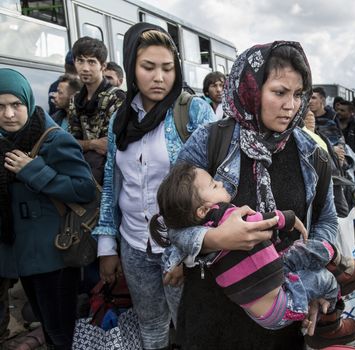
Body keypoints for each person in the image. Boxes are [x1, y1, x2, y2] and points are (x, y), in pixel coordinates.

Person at [172, 41, 355, 350]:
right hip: (213, 313)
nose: (292, 106)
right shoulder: (210, 140)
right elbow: (170, 222)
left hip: (281, 316)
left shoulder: (312, 152)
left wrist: (309, 287)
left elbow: (325, 220)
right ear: (251, 88)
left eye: (299, 95)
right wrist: (217, 239)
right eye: (279, 92)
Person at [151, 163, 355, 348]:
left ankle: (343, 268)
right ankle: (329, 323)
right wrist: (286, 218)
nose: (290, 105)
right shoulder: (217, 208)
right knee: (325, 282)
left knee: (314, 250)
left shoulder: (308, 147)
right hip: (273, 305)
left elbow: (327, 216)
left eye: (297, 99)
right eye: (213, 185)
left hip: (276, 267)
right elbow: (176, 222)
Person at [91, 23, 216, 350]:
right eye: (148, 67)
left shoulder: (193, 111)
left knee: (189, 326)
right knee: (150, 325)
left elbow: (217, 186)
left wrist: (183, 253)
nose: (159, 77)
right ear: (132, 67)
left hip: (182, 249)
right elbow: (112, 183)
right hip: (134, 245)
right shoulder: (120, 118)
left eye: (167, 68)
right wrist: (108, 246)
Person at [0, 68, 96, 349]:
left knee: (61, 332)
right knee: (48, 326)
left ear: (27, 103)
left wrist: (34, 171)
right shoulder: (3, 143)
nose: (8, 114)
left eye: (16, 105)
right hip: (23, 255)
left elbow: (84, 189)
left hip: (56, 255)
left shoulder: (53, 139)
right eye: (1, 106)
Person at [68, 36, 125, 184]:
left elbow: (110, 145)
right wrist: (93, 144)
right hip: (83, 171)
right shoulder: (75, 100)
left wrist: (85, 144)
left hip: (114, 175)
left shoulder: (116, 97)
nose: (85, 68)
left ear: (103, 66)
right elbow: (70, 142)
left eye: (92, 62)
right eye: (80, 61)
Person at [48, 50, 77, 115]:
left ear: (65, 65)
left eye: (60, 92)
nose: (55, 96)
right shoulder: (85, 87)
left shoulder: (54, 85)